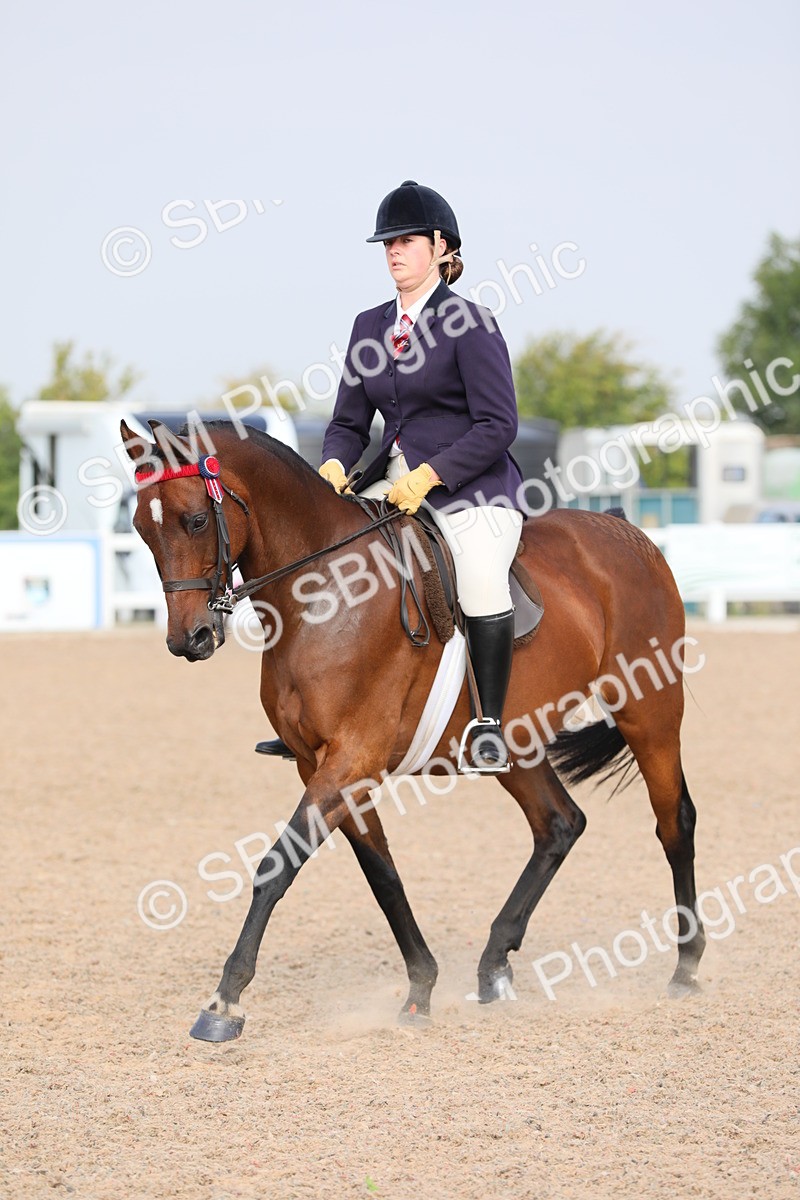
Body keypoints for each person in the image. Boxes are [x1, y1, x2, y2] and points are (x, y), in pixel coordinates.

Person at [256, 180, 525, 772]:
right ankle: (316, 711)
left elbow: (498, 424)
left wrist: (432, 474)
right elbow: (349, 421)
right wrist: (334, 461)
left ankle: (490, 726)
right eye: (387, 244)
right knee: (325, 564)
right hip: (389, 484)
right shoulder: (368, 325)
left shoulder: (471, 323)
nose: (394, 252)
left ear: (441, 247)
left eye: (405, 241)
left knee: (481, 580)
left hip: (472, 489)